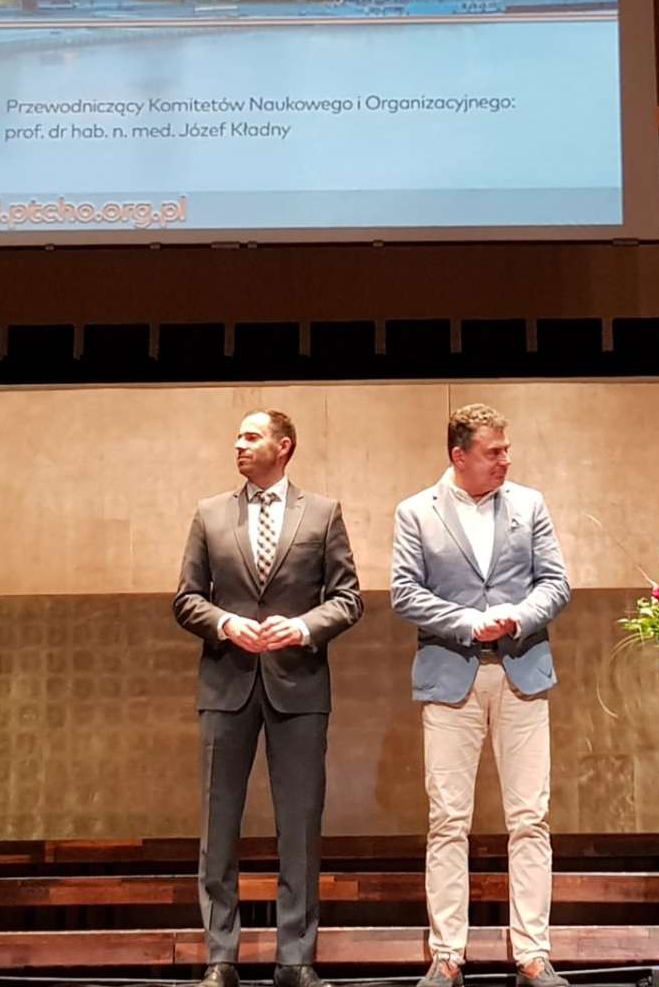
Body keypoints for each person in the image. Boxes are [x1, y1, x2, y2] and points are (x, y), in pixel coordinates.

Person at [173, 409, 365, 987]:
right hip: (226, 683)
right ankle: (220, 957)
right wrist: (225, 623)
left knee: (300, 826)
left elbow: (348, 598)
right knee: (218, 825)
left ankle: (295, 958)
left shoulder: (323, 513)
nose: (238, 444)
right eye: (237, 436)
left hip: (299, 685)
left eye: (251, 436)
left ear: (283, 447)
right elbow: (186, 599)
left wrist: (302, 627)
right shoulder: (210, 513)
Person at [390, 403, 572, 987]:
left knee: (530, 817)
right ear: (459, 456)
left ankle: (533, 953)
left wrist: (517, 616)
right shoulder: (417, 511)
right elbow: (404, 593)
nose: (505, 460)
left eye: (506, 450)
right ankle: (447, 954)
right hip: (451, 677)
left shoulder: (529, 504)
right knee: (448, 819)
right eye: (493, 452)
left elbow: (556, 583)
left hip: (522, 673)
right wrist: (471, 622)